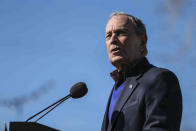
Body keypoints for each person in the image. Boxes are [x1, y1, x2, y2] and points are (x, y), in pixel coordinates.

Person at [101, 12, 182, 131]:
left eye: (121, 33)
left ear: (142, 42)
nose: (113, 40)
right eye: (108, 35)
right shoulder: (116, 89)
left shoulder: (159, 79)